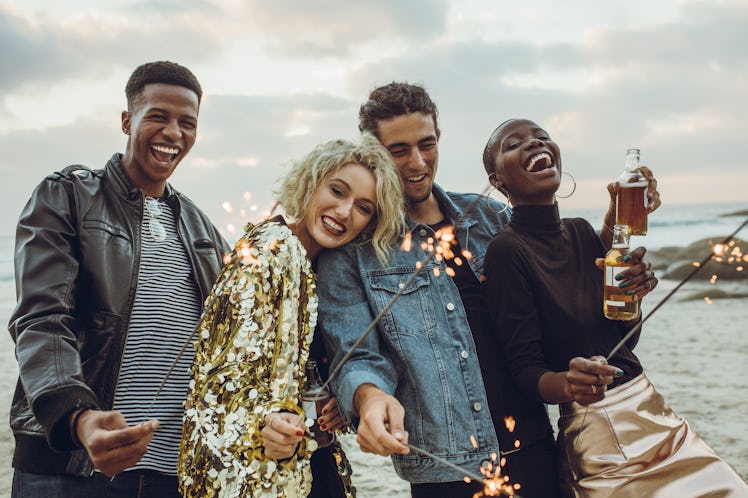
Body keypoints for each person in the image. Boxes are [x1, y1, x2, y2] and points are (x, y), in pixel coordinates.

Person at [315, 82, 661, 498]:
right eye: (399, 150)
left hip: (534, 448)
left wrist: (615, 254)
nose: (418, 163)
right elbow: (357, 356)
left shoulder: (492, 217)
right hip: (444, 471)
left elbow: (562, 302)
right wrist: (368, 398)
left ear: (439, 138)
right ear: (373, 151)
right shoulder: (351, 255)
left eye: (427, 144)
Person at [481, 118, 748, 498]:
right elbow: (525, 370)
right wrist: (568, 384)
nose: (533, 144)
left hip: (655, 414)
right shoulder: (506, 251)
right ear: (497, 180)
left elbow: (624, 338)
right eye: (513, 144)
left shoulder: (580, 231)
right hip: (600, 440)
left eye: (542, 137)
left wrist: (634, 299)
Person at [7, 61, 228, 497]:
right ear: (127, 121)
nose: (173, 134)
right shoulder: (68, 194)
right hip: (72, 466)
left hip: (173, 473)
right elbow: (42, 320)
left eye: (188, 123)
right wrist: (79, 417)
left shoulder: (202, 228)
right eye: (158, 117)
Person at [178, 134, 406, 498]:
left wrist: (336, 402)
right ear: (311, 183)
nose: (345, 212)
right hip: (261, 473)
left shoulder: (325, 268)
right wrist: (266, 423)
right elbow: (221, 377)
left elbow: (297, 367)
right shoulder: (271, 251)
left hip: (309, 459)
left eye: (364, 208)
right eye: (337, 191)